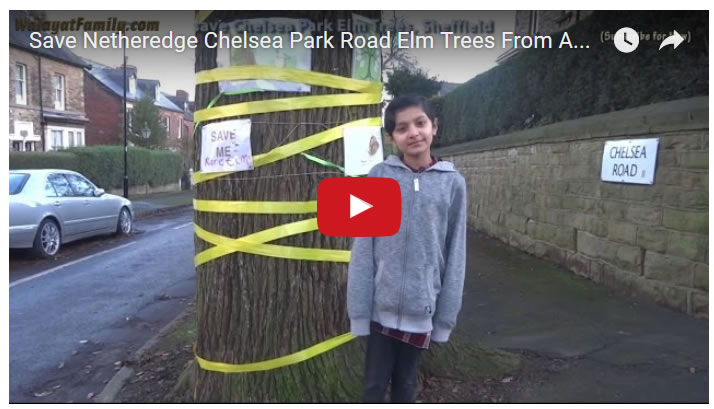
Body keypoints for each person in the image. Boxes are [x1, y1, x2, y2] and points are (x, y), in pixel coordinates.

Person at [347, 95, 467, 403]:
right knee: (373, 386)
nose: (413, 133)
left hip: (422, 309)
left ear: (434, 127)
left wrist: (445, 320)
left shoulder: (453, 184)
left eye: (420, 123)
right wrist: (359, 311)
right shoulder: (378, 177)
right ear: (392, 138)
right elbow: (363, 248)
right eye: (402, 128)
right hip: (380, 309)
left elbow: (456, 254)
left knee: (406, 384)